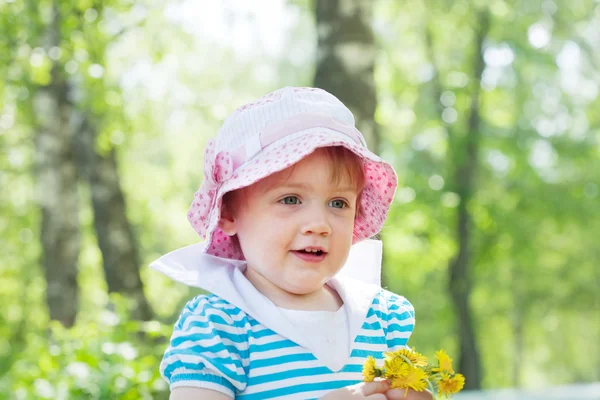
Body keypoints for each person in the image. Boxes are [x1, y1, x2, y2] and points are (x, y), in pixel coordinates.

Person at [150, 87, 432, 400]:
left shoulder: (381, 319)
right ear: (228, 211)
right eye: (291, 199)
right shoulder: (219, 328)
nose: (319, 224)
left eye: (338, 203)